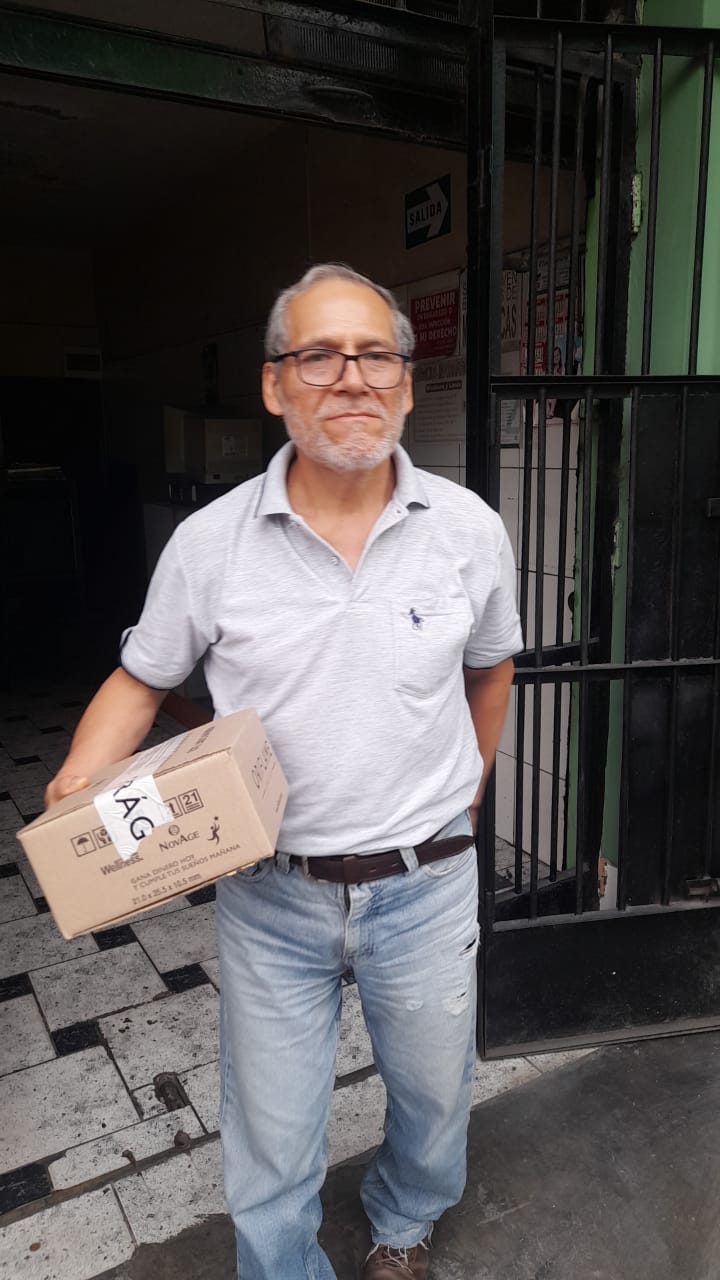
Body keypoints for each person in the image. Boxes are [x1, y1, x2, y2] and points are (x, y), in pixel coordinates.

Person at [46, 263, 523, 1280]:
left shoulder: (470, 530)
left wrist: (472, 784)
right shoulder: (208, 544)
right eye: (319, 355)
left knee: (435, 1092)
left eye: (376, 356)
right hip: (271, 892)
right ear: (274, 384)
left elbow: (492, 668)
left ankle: (405, 1225)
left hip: (427, 884)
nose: (351, 377)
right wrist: (80, 777)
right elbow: (141, 679)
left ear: (405, 382)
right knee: (269, 1124)